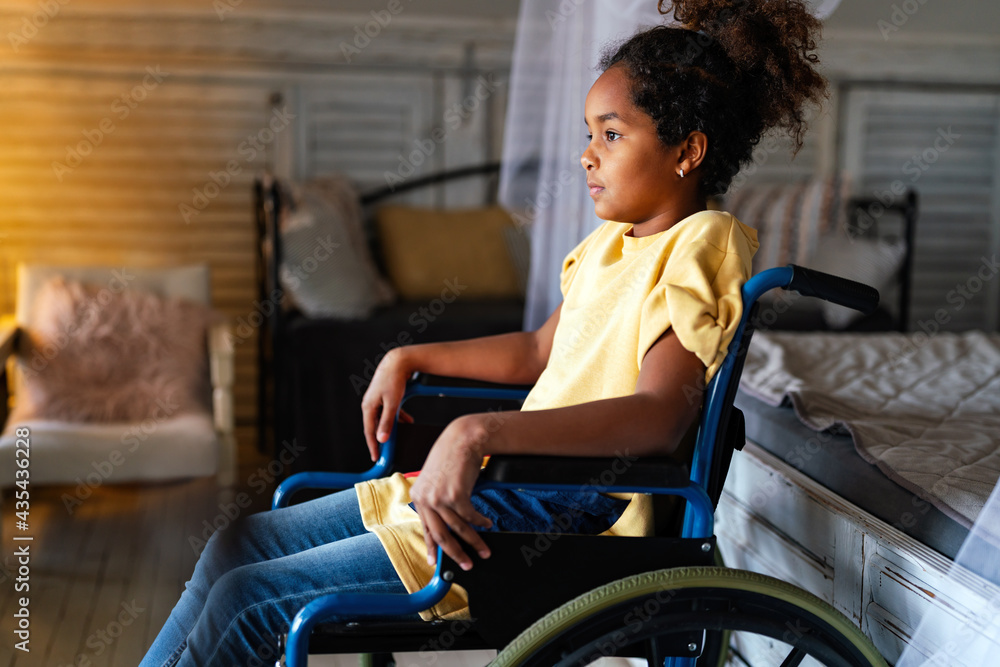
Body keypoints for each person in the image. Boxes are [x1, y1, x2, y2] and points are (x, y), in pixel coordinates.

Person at [140, 1, 828, 664]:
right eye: (588, 134)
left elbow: (658, 415)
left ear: (688, 151)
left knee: (249, 595)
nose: (588, 155)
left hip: (559, 514)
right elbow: (539, 351)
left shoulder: (701, 243)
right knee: (233, 547)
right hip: (512, 488)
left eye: (612, 135)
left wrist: (479, 431)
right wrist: (408, 353)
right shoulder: (612, 245)